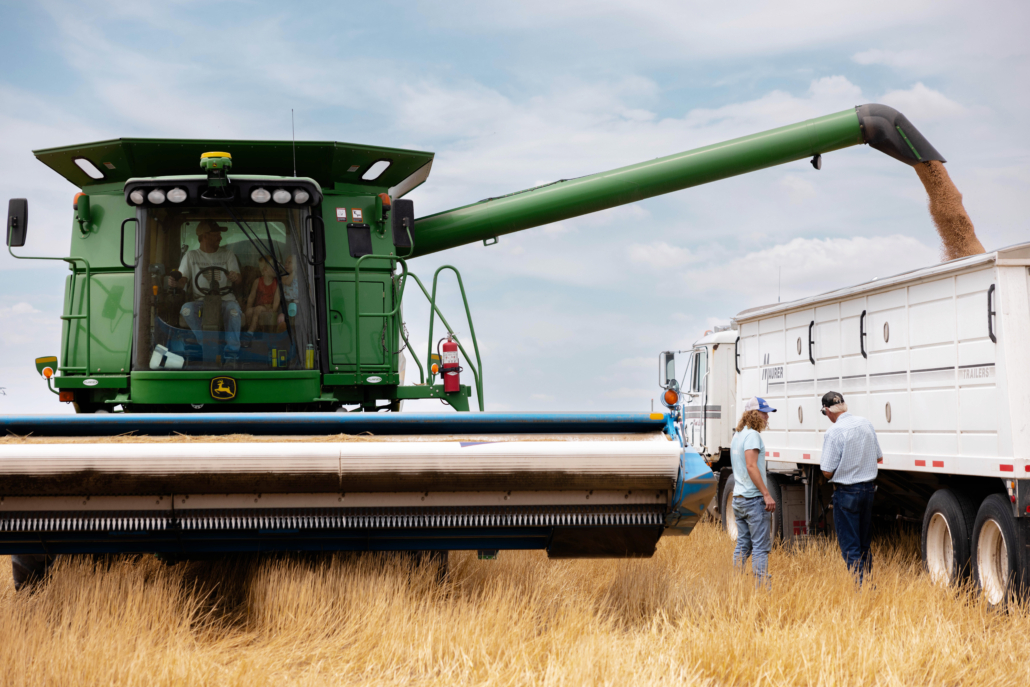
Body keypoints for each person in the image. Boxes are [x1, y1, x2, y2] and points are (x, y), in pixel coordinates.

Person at [820, 391, 881, 584]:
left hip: (846, 492)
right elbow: (879, 457)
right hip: (868, 490)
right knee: (864, 544)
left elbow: (827, 471)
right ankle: (868, 583)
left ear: (828, 410)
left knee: (850, 546)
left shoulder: (833, 432)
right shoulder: (866, 423)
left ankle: (860, 588)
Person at [168, 220, 242, 366]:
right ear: (204, 237)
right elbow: (183, 279)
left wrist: (235, 277)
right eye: (216, 235)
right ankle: (207, 344)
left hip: (225, 299)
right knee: (187, 310)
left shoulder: (228, 255)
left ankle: (232, 353)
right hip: (201, 301)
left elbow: (238, 278)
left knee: (234, 311)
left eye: (220, 235)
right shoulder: (191, 256)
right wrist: (176, 282)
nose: (220, 238)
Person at [730, 396, 777, 585]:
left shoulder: (738, 434)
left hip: (739, 498)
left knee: (743, 544)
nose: (767, 417)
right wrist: (766, 494)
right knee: (760, 547)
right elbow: (751, 466)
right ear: (753, 414)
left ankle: (737, 583)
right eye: (764, 412)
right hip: (753, 500)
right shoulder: (752, 436)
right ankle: (762, 589)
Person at [244, 256, 282, 336]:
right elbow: (251, 297)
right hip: (259, 306)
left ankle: (251, 330)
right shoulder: (257, 281)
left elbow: (276, 300)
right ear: (265, 270)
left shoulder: (277, 283)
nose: (275, 268)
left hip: (268, 307)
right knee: (249, 312)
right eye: (272, 267)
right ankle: (250, 332)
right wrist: (248, 307)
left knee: (258, 309)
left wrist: (273, 309)